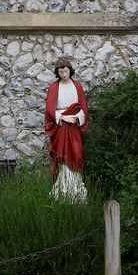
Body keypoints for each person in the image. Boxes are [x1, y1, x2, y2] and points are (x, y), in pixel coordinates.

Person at [44, 58, 89, 201]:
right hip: (61, 127)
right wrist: (63, 118)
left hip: (74, 126)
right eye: (61, 71)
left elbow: (84, 108)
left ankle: (76, 187)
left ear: (70, 71)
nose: (64, 74)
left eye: (66, 71)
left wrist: (76, 117)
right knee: (61, 156)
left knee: (77, 152)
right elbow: (50, 110)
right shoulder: (53, 88)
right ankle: (61, 188)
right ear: (57, 73)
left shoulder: (77, 86)